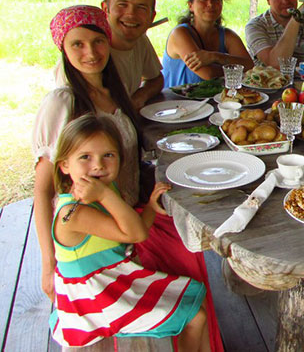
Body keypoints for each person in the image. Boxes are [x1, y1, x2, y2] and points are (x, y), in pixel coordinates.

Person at [32, 5, 224, 350]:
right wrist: (49, 265)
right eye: (77, 44)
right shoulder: (62, 101)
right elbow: (42, 188)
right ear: (63, 48)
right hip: (100, 233)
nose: (90, 52)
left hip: (129, 214)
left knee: (192, 246)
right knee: (187, 263)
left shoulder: (115, 89)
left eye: (97, 41)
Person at [49, 114, 210, 350]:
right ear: (64, 165)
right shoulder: (74, 213)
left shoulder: (102, 191)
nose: (98, 165)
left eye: (108, 155)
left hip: (112, 283)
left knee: (195, 296)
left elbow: (134, 227)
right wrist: (106, 196)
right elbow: (137, 235)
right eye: (85, 157)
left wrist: (151, 209)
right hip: (93, 302)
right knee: (196, 315)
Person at [54, 0, 163, 111]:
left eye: (141, 7)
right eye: (122, 5)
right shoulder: (84, 58)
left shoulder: (140, 40)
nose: (131, 14)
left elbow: (156, 79)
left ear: (152, 16)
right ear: (105, 9)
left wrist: (139, 97)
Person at [162, 0, 253, 88]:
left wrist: (216, 57)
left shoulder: (227, 36)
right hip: (176, 102)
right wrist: (234, 69)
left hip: (212, 101)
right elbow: (208, 74)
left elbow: (250, 66)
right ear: (191, 6)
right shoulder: (180, 34)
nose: (210, 4)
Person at [245, 0, 304, 67]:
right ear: (268, 0)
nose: (285, 1)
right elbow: (274, 64)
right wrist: (295, 19)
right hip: (268, 81)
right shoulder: (255, 26)